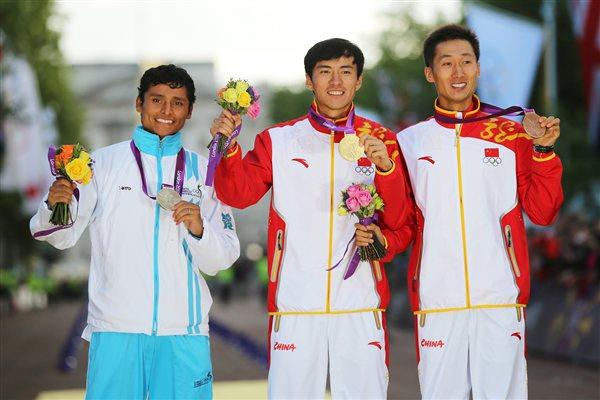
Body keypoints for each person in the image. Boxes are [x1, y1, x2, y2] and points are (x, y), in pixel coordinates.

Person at [370, 24, 564, 399]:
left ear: (478, 68)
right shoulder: (408, 143)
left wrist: (543, 152)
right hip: (437, 302)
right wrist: (379, 239)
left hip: (500, 299)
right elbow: (401, 223)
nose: (457, 73)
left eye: (466, 62)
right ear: (431, 73)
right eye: (447, 63)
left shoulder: (514, 135)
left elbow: (542, 213)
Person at [210, 38, 410, 399]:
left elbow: (401, 222)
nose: (336, 81)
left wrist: (386, 168)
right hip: (296, 305)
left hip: (361, 305)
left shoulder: (382, 140)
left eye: (346, 72)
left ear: (359, 80)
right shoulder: (279, 140)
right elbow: (236, 194)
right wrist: (228, 147)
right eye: (325, 72)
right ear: (309, 79)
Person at [30, 64, 240, 399]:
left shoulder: (206, 172)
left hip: (183, 333)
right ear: (139, 104)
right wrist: (55, 205)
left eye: (178, 102)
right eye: (157, 100)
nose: (167, 111)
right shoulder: (100, 165)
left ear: (190, 111)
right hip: (116, 331)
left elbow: (223, 257)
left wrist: (200, 230)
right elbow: (61, 236)